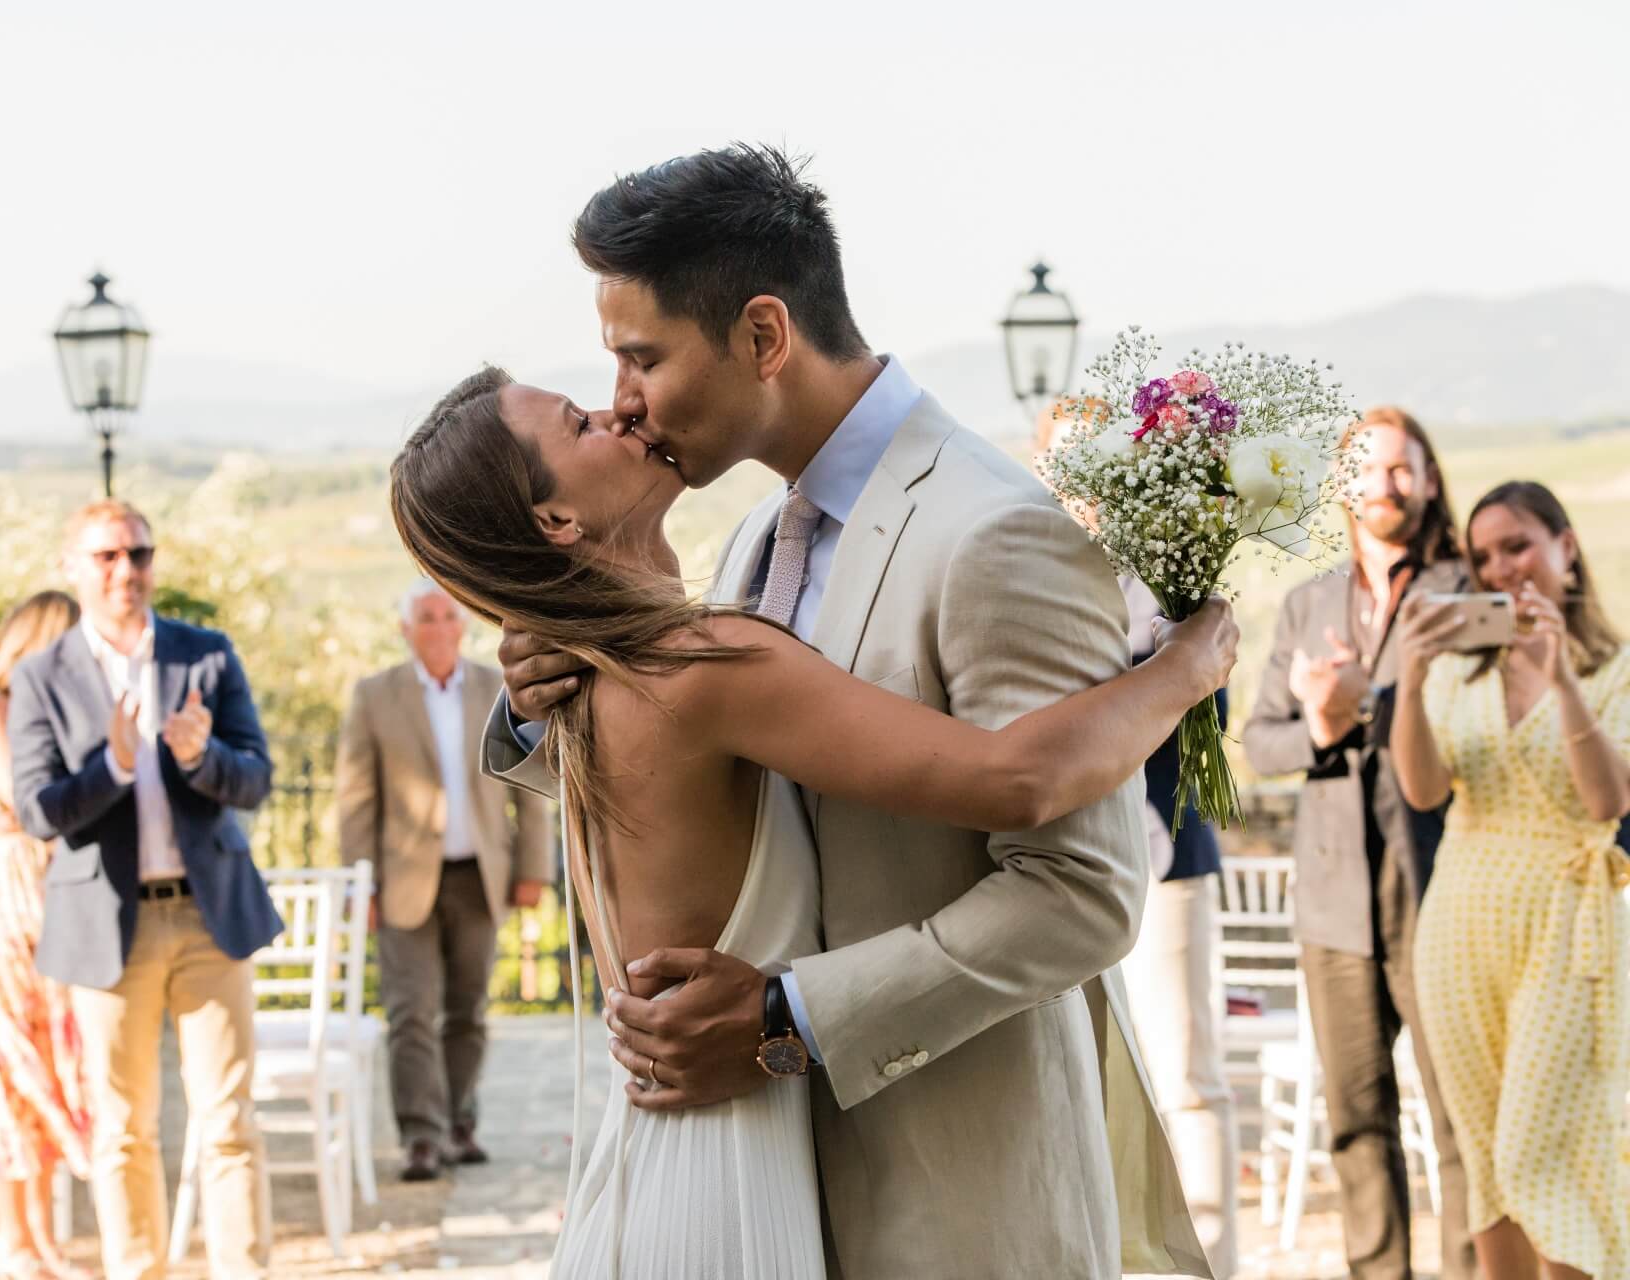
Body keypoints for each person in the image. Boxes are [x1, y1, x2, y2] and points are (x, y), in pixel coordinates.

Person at [476, 145, 1214, 1278]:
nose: (622, 398)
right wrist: (545, 712)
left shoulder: (993, 530)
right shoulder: (753, 539)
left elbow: (1082, 894)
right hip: (762, 1190)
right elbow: (729, 792)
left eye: (640, 356)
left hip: (950, 1194)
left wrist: (788, 1016)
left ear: (764, 337)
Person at [9, 499, 279, 1280]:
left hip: (207, 915)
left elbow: (254, 778)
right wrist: (116, 768)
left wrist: (200, 759)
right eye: (106, 557)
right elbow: (37, 809)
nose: (126, 570)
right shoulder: (42, 675)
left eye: (139, 554)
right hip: (106, 924)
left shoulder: (207, 654)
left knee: (227, 1118)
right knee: (123, 1127)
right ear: (72, 568)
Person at [1244, 406, 1477, 1280]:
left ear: (1430, 478)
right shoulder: (1308, 605)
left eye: (1403, 468)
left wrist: (1362, 704)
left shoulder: (1468, 596)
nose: (1387, 484)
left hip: (1448, 892)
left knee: (1460, 1119)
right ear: (1344, 487)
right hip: (1336, 899)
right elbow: (1262, 746)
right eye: (1370, 469)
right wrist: (1318, 721)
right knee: (1354, 1119)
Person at [1392, 482, 1630, 1280]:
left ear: (1565, 544)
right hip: (1459, 925)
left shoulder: (1617, 669)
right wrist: (1411, 677)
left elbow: (1607, 801)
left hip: (1566, 928)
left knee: (1544, 1144)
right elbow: (1423, 791)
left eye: (1517, 545)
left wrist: (1560, 681)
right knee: (1488, 1155)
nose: (1502, 567)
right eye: (1483, 554)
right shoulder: (1459, 675)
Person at [1034, 404, 1241, 1277]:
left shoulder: (1170, 573)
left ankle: (1213, 1261)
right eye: (1063, 469)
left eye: (1097, 465)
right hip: (1065, 860)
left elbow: (1211, 708)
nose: (1081, 488)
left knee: (1188, 1076)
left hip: (1166, 854)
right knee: (1082, 1075)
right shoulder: (1028, 577)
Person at [334, 578, 553, 1181]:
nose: (437, 627)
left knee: (468, 1012)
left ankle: (459, 1122)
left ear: (461, 626)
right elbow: (355, 802)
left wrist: (535, 868)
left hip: (480, 878)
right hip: (402, 885)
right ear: (406, 630)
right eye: (424, 618)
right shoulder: (375, 697)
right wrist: (360, 886)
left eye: (446, 617)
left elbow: (528, 783)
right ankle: (422, 1137)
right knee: (409, 1014)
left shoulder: (493, 688)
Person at [0, 589, 91, 1280]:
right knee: (11, 1070)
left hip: (53, 890)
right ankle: (15, 1241)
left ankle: (42, 1239)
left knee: (47, 1057)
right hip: (6, 887)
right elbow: (21, 795)